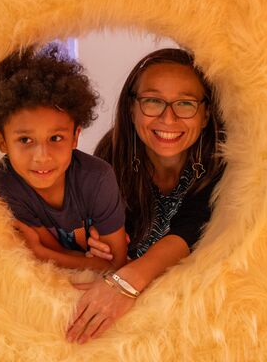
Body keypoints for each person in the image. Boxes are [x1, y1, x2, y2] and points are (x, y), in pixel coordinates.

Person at [66, 48, 224, 343]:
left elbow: (192, 226)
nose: (168, 118)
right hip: (140, 324)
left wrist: (126, 282)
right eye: (153, 101)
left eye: (185, 104)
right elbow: (101, 236)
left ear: (205, 115)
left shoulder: (224, 162)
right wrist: (98, 245)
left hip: (200, 319)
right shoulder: (110, 158)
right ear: (132, 108)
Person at [0, 46, 127, 271]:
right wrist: (84, 261)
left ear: (75, 136)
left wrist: (41, 252)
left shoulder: (98, 178)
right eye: (25, 140)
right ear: (2, 141)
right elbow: (54, 258)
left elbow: (116, 264)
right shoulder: (6, 186)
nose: (42, 157)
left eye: (56, 137)